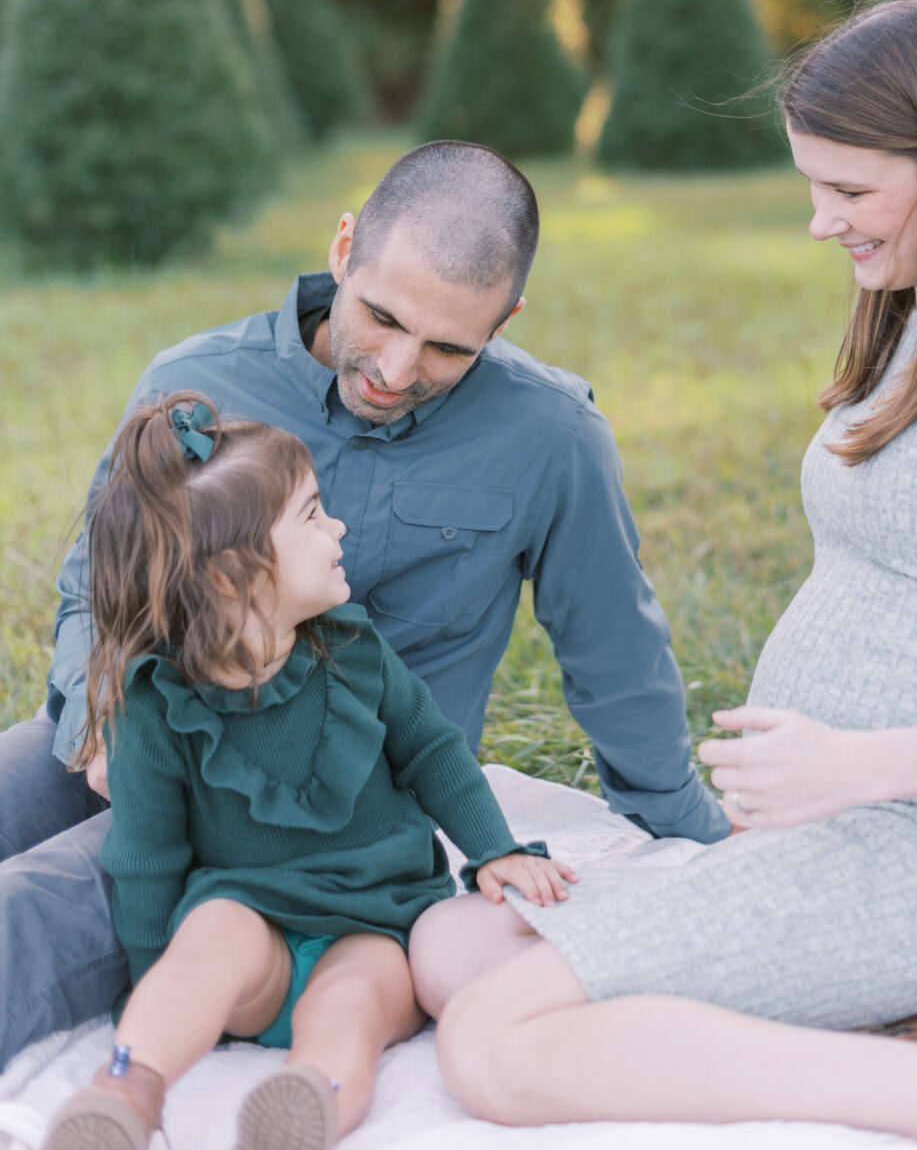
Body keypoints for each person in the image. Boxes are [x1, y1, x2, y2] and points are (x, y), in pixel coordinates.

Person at [407, 0, 917, 1147]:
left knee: (493, 1043)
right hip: (847, 838)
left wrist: (868, 762)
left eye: (848, 189)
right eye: (810, 186)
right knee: (449, 945)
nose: (816, 222)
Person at [0, 140, 725, 1070]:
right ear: (343, 248)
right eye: (380, 317)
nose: (394, 366)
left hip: (309, 816)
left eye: (447, 348)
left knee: (38, 907)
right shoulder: (198, 379)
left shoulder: (554, 438)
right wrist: (94, 720)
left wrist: (698, 847)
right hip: (144, 716)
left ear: (504, 322)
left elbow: (616, 660)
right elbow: (93, 588)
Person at [42, 392, 574, 1150]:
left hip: (376, 920)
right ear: (232, 574)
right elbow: (146, 854)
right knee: (210, 938)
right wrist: (161, 981)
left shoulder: (351, 652)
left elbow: (432, 751)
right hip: (251, 917)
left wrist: (496, 849)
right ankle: (128, 1086)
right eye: (313, 515)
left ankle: (302, 1101)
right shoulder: (156, 704)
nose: (338, 528)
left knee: (352, 1001)